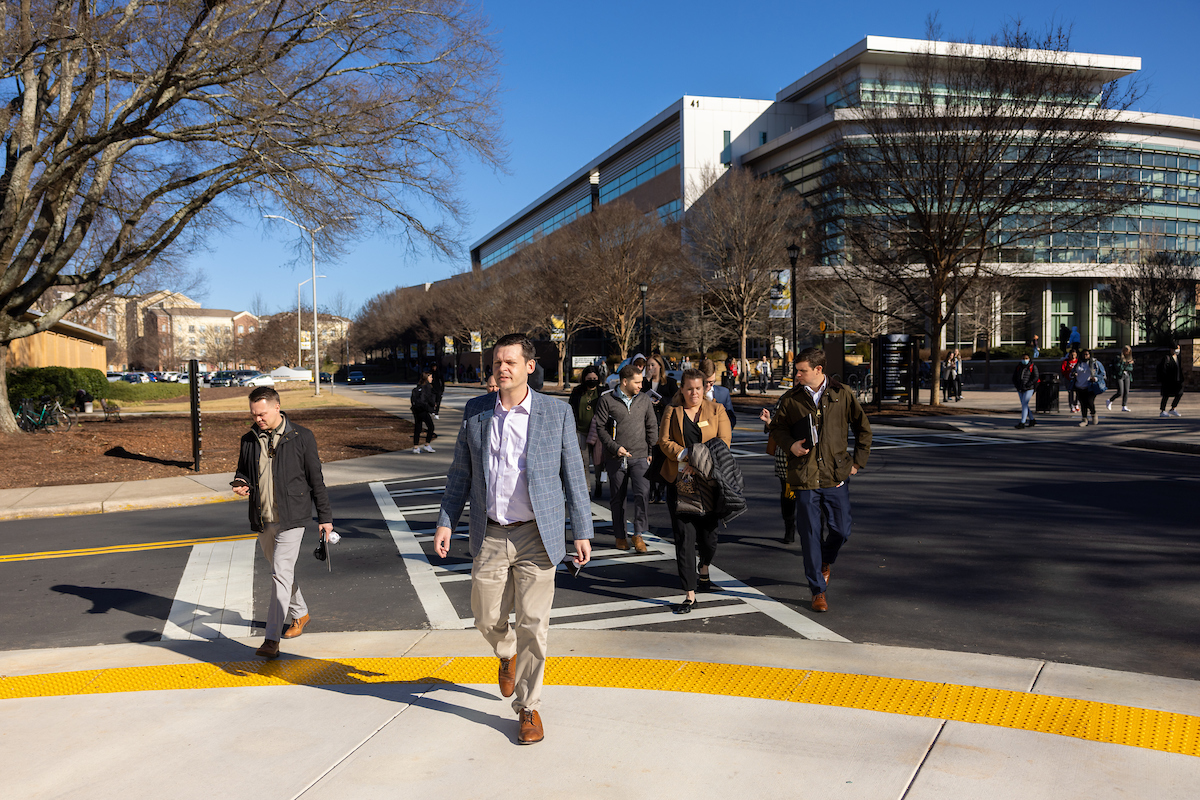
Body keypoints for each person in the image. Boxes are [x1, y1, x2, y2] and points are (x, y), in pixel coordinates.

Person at [433, 334, 593, 745]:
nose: (501, 368)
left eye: (509, 362)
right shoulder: (477, 412)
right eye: (497, 362)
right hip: (490, 532)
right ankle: (505, 653)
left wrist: (582, 530)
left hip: (537, 534)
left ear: (529, 367)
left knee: (534, 624)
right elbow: (460, 473)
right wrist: (446, 520)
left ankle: (528, 708)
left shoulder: (554, 413)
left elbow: (574, 475)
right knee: (485, 616)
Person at [767, 348, 872, 613]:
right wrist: (790, 445)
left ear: (818, 370)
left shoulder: (843, 393)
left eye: (801, 370)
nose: (797, 374)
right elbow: (777, 428)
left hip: (836, 474)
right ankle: (817, 590)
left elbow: (863, 428)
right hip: (804, 476)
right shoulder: (791, 399)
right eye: (797, 370)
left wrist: (857, 462)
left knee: (841, 530)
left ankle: (825, 561)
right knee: (811, 534)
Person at [231, 387, 332, 660]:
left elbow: (316, 480)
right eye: (253, 415)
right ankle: (301, 614)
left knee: (280, 574)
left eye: (262, 414)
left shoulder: (302, 437)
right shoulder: (249, 439)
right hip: (263, 518)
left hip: (292, 518)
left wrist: (325, 518)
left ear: (277, 407)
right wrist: (241, 482)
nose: (258, 419)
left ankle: (271, 639)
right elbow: (244, 470)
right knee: (282, 573)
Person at [658, 368, 731, 613]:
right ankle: (689, 593)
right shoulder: (672, 410)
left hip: (709, 482)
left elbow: (723, 443)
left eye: (698, 388)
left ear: (705, 388)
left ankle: (705, 567)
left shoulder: (717, 410)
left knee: (709, 538)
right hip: (680, 483)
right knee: (684, 538)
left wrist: (698, 461)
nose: (694, 393)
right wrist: (684, 455)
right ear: (682, 389)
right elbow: (664, 441)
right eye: (689, 388)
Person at [594, 364, 658, 552]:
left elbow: (651, 425)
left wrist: (652, 452)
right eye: (637, 382)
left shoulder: (644, 399)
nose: (641, 385)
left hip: (640, 455)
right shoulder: (607, 400)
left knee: (642, 494)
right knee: (617, 499)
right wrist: (615, 447)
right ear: (625, 382)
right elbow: (600, 428)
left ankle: (638, 535)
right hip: (616, 457)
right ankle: (620, 536)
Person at [759, 405, 797, 543]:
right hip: (786, 453)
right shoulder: (785, 400)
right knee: (788, 495)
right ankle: (789, 526)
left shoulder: (818, 397)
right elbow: (774, 426)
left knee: (811, 497)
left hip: (809, 453)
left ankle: (813, 531)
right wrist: (768, 421)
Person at [568, 366, 604, 496]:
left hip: (598, 433)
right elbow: (571, 408)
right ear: (584, 379)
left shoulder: (602, 392)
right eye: (589, 379)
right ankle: (587, 489)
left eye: (594, 379)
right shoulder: (578, 392)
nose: (592, 381)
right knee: (584, 463)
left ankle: (599, 483)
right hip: (581, 430)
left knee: (598, 462)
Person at [1070, 348, 1106, 427]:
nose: (1085, 356)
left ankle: (1093, 414)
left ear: (1090, 355)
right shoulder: (1078, 364)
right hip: (1079, 386)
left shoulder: (1095, 363)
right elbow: (1071, 373)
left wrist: (1095, 378)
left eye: (1087, 354)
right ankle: (1084, 419)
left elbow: (1102, 374)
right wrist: (1073, 374)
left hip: (1090, 386)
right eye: (1083, 354)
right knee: (1083, 404)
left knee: (1090, 402)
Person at [700, 358, 736, 429]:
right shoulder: (692, 394)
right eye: (705, 382)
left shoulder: (723, 393)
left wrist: (724, 434)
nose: (708, 385)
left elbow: (731, 418)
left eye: (711, 382)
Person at [410, 369, 436, 453]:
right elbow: (429, 399)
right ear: (426, 378)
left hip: (416, 410)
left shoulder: (419, 386)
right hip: (423, 410)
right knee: (431, 427)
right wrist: (433, 405)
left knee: (418, 428)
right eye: (430, 377)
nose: (432, 379)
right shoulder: (427, 387)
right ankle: (427, 444)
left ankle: (415, 447)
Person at [1157, 341, 1185, 418]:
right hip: (1168, 380)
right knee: (1166, 395)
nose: (1177, 350)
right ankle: (1162, 410)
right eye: (1175, 349)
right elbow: (1163, 369)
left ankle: (1173, 408)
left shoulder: (1178, 357)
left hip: (1177, 379)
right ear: (1171, 349)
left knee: (1179, 393)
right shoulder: (1167, 358)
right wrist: (1165, 379)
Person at [1012, 354, 1039, 429]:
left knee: (1024, 404)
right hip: (1020, 388)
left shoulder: (1032, 366)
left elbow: (1036, 377)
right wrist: (1017, 385)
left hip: (1029, 388)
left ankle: (1022, 422)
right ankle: (1032, 419)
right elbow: (1014, 377)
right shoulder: (1018, 367)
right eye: (1023, 358)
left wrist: (1028, 384)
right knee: (1025, 405)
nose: (1025, 360)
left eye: (1026, 358)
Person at [1107, 346, 1134, 413]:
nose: (1127, 353)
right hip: (1119, 375)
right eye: (1126, 351)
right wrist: (1125, 364)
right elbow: (1118, 367)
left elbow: (1131, 368)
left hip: (1127, 375)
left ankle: (1124, 405)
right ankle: (1110, 400)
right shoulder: (1118, 358)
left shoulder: (1129, 358)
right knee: (1120, 392)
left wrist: (1127, 366)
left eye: (1128, 351)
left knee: (1126, 391)